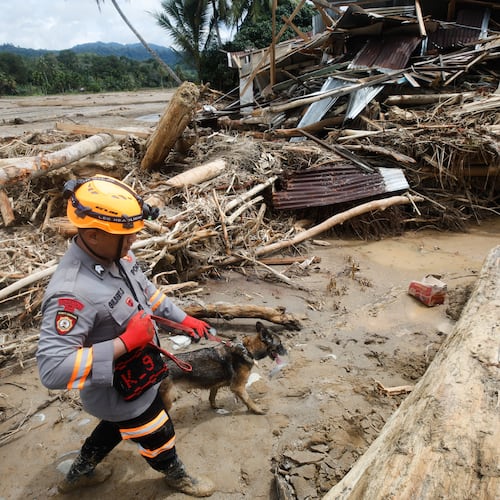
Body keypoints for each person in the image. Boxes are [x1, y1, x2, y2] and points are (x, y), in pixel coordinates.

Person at [36, 175, 215, 497]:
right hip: (120, 390)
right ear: (92, 234)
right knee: (159, 433)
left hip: (144, 372)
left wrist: (182, 319)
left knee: (114, 428)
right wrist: (126, 342)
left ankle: (78, 474)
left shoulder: (117, 254)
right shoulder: (73, 293)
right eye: (127, 236)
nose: (133, 240)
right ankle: (176, 476)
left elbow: (147, 292)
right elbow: (52, 369)